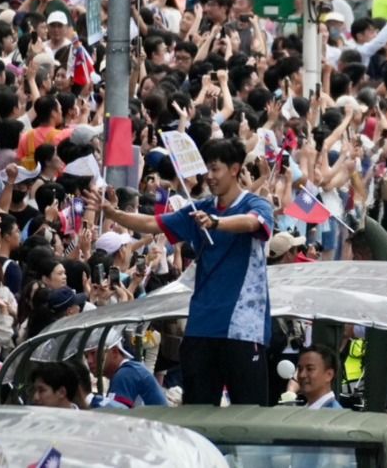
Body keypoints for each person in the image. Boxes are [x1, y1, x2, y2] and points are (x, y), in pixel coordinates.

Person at [88, 137, 275, 406]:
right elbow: (152, 222)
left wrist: (217, 223)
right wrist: (113, 213)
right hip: (201, 326)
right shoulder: (200, 210)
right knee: (197, 409)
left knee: (249, 411)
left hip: (243, 328)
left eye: (215, 169)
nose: (209, 177)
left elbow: (251, 223)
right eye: (206, 170)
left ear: (235, 169)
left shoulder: (255, 206)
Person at [84, 330, 168, 407]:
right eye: (86, 356)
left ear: (114, 352)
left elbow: (117, 415)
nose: (89, 361)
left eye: (93, 353)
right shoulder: (129, 370)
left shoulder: (125, 374)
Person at [296, 345, 343, 409]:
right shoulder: (303, 410)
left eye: (310, 369)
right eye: (300, 369)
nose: (302, 375)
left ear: (329, 375)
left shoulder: (333, 414)